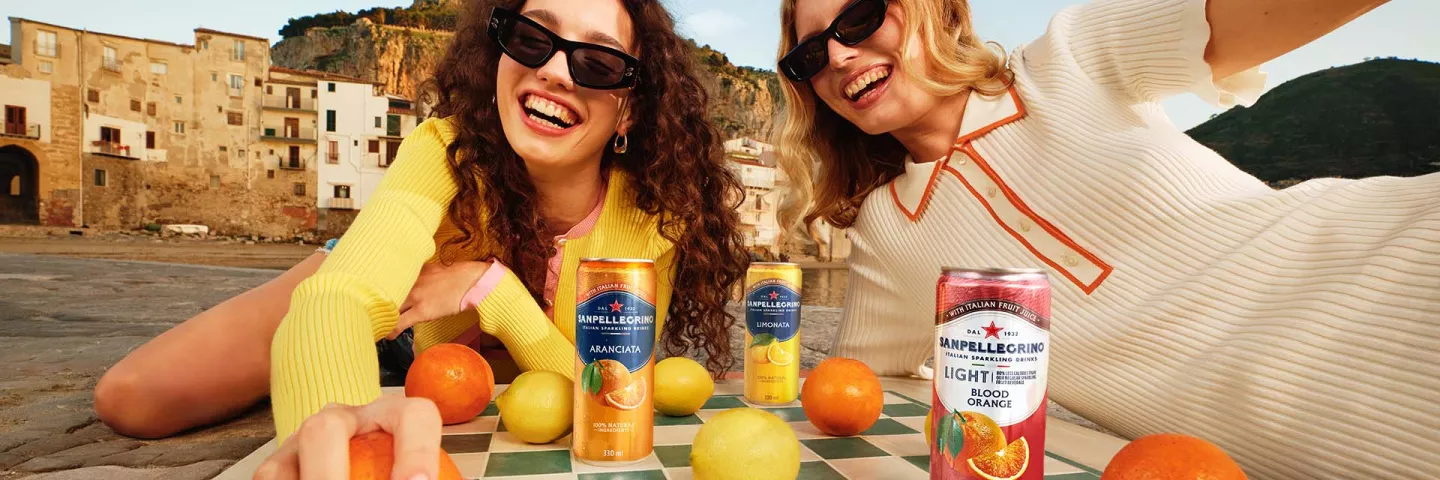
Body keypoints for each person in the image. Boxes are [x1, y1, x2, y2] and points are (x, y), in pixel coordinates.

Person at [774, 0, 1437, 477]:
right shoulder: (889, 229)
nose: (836, 54)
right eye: (808, 55)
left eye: (858, 19)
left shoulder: (1071, 56)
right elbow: (856, 394)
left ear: (938, 9)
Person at [98, 0, 744, 472]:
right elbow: (345, 296)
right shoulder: (442, 148)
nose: (555, 70)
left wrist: (493, 290)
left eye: (599, 62)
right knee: (135, 401)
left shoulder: (655, 217)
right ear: (498, 61)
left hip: (459, 353)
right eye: (530, 38)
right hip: (399, 291)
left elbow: (598, 382)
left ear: (630, 106)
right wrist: (336, 412)